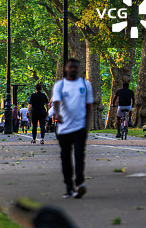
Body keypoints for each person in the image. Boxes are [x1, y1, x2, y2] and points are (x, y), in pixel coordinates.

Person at [52, 58, 93, 199]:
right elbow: (56, 102)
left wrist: (87, 125)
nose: (73, 69)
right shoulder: (60, 85)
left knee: (79, 155)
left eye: (75, 67)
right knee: (66, 157)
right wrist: (57, 114)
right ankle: (69, 186)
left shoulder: (85, 84)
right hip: (63, 128)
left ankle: (80, 183)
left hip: (79, 127)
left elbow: (89, 106)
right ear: (65, 68)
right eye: (70, 67)